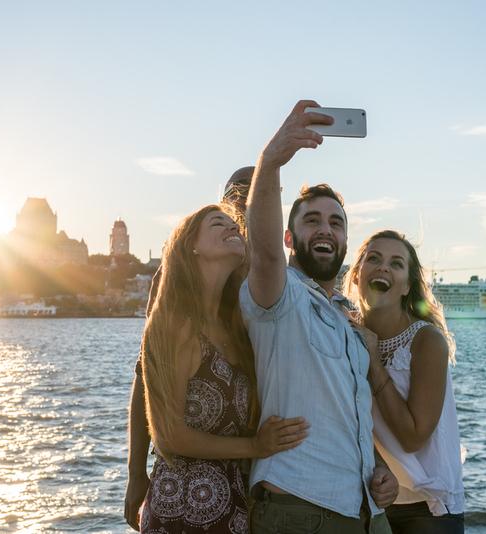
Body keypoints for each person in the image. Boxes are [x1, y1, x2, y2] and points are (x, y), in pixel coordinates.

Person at [241, 100, 396, 533]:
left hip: (366, 512)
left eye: (336, 223)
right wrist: (270, 161)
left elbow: (347, 414)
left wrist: (379, 470)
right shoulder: (279, 295)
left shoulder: (346, 320)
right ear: (291, 237)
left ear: (346, 240)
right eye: (312, 221)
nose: (326, 229)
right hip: (301, 509)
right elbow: (266, 252)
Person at [137, 203, 309, 533]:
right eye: (219, 223)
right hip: (182, 509)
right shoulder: (174, 324)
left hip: (235, 506)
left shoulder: (237, 327)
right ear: (191, 246)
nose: (233, 228)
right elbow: (168, 435)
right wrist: (256, 446)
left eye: (235, 225)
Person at [124, 167, 254, 530]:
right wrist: (136, 472)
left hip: (243, 494)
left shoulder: (270, 281)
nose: (244, 206)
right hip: (185, 493)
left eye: (260, 194)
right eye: (237, 197)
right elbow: (147, 379)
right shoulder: (174, 292)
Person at [345, 230, 465, 533]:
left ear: (406, 286)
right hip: (366, 502)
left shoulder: (426, 341)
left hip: (426, 509)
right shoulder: (344, 332)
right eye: (374, 258)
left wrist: (372, 361)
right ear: (357, 275)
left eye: (396, 263)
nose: (383, 267)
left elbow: (413, 438)